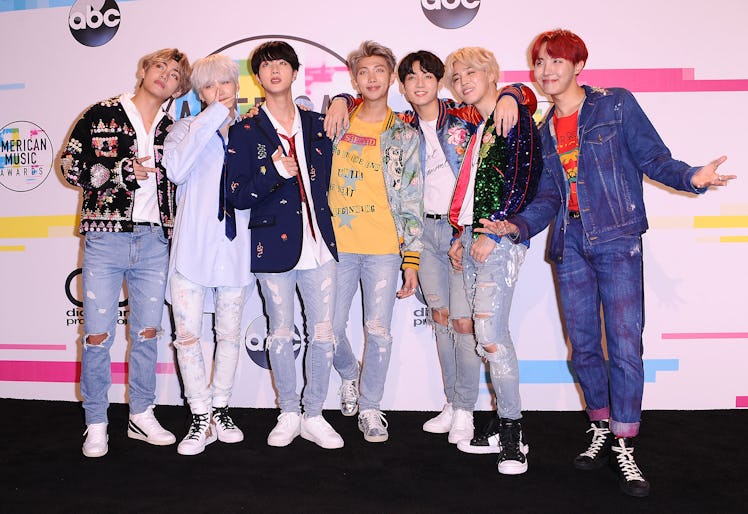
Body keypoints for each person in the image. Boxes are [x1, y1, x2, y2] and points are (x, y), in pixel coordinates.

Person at [481, 29, 734, 496]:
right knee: (583, 345)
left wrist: (691, 177)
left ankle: (625, 440)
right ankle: (600, 425)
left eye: (557, 61)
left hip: (617, 237)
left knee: (624, 345)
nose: (547, 71)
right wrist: (514, 225)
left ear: (578, 65)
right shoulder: (540, 131)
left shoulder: (614, 104)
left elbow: (653, 158)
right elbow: (549, 195)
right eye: (539, 63)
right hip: (570, 242)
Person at [325, 50, 536, 445]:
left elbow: (517, 98)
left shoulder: (465, 117)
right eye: (411, 78)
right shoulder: (400, 126)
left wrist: (513, 92)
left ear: (440, 82)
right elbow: (363, 104)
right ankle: (454, 404)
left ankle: (466, 410)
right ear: (400, 86)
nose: (419, 84)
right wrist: (341, 98)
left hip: (460, 234)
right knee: (440, 318)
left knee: (463, 323)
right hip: (423, 234)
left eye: (428, 76)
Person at [61, 48, 191, 457]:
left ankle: (142, 413)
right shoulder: (102, 113)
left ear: (179, 87)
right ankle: (96, 421)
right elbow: (68, 166)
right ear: (144, 70)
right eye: (160, 67)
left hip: (155, 241)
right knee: (98, 336)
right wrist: (117, 173)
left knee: (148, 334)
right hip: (106, 237)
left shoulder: (175, 128)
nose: (164, 76)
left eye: (173, 74)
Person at [225, 41, 343, 450]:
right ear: (256, 76)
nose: (275, 70)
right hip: (272, 248)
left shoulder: (317, 123)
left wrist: (343, 98)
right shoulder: (244, 130)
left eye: (282, 64)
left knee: (324, 334)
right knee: (280, 333)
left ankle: (314, 413)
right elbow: (237, 195)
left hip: (320, 246)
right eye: (266, 65)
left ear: (295, 73)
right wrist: (274, 170)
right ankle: (288, 412)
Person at [445, 46, 543, 475]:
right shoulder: (482, 123)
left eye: (471, 72)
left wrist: (492, 228)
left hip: (496, 237)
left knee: (490, 337)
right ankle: (501, 421)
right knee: (487, 336)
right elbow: (474, 188)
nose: (463, 81)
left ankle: (513, 433)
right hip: (472, 236)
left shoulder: (510, 114)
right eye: (457, 76)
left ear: (491, 75)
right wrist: (461, 235)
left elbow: (524, 177)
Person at [327, 41, 423, 443]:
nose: (371, 78)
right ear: (354, 78)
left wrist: (411, 258)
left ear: (391, 77)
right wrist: (336, 101)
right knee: (327, 329)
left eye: (379, 71)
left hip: (385, 248)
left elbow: (413, 196)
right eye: (363, 71)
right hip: (336, 248)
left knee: (378, 331)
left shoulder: (404, 132)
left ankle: (371, 406)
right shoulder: (335, 123)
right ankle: (350, 373)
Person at [163, 54, 254, 456]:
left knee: (229, 335)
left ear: (237, 87)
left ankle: (220, 409)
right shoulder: (184, 129)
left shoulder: (252, 133)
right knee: (188, 337)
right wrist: (212, 116)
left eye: (225, 86)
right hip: (191, 250)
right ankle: (199, 414)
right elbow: (177, 170)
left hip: (234, 250)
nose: (219, 94)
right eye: (209, 88)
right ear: (200, 94)